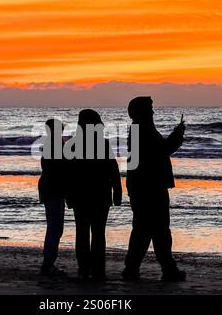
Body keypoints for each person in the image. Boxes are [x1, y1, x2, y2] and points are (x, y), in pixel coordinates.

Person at [122, 96, 187, 282]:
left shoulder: (142, 130)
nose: (153, 112)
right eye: (150, 109)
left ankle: (135, 268)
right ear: (142, 111)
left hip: (145, 186)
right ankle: (166, 269)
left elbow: (160, 149)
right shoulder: (142, 131)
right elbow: (163, 150)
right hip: (149, 187)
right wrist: (178, 133)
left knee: (146, 230)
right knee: (157, 230)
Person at [66, 109, 122, 281]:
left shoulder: (73, 145)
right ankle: (98, 270)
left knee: (82, 232)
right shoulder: (103, 144)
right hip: (100, 195)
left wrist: (69, 196)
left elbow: (69, 174)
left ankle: (84, 269)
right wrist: (117, 192)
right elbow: (113, 170)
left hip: (81, 196)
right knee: (98, 233)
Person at [38, 119, 67, 276]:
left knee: (54, 226)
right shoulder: (55, 146)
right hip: (54, 190)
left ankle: (48, 261)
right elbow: (60, 170)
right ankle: (48, 263)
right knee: (55, 227)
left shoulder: (52, 145)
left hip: (51, 189)